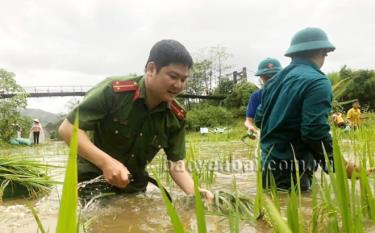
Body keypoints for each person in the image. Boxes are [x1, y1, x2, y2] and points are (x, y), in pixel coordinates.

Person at [58, 39, 214, 202]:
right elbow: (67, 129)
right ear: (151, 69)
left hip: (134, 183)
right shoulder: (114, 91)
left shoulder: (176, 116)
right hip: (94, 178)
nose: (178, 85)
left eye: (183, 79)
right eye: (173, 76)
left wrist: (194, 192)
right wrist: (106, 163)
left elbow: (176, 164)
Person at [254, 27, 360, 191]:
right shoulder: (317, 82)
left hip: (268, 165)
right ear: (324, 51)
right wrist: (338, 167)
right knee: (299, 212)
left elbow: (260, 120)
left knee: (273, 209)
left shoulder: (272, 83)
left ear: (293, 54)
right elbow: (313, 131)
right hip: (295, 168)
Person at [244, 58, 282, 137]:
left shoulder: (289, 92)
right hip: (267, 137)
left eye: (274, 76)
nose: (270, 80)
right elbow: (248, 120)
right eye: (266, 78)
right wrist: (250, 127)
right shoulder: (256, 96)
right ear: (261, 78)